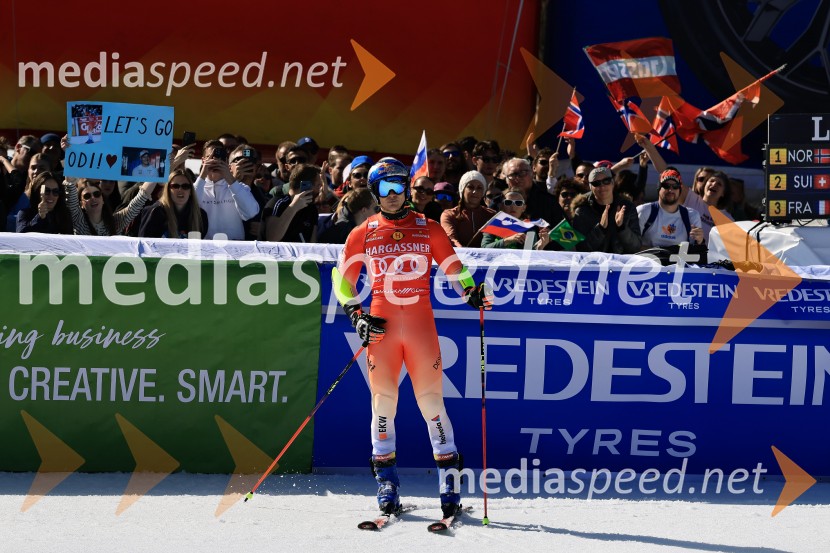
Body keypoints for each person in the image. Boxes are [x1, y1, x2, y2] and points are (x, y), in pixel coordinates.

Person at [331, 157, 492, 519]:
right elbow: (341, 280)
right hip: (382, 330)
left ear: (407, 187)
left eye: (398, 186)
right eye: (384, 189)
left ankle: (449, 484)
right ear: (374, 193)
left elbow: (455, 269)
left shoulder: (429, 228)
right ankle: (386, 485)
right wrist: (357, 316)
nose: (392, 195)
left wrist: (471, 293)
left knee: (431, 403)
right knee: (383, 403)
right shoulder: (363, 231)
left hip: (420, 327)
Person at [194, 140, 260, 240]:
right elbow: (189, 207)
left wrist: (230, 178)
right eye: (210, 157)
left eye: (220, 158)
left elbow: (250, 213)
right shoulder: (194, 187)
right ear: (203, 161)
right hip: (204, 251)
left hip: (234, 251)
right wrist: (203, 174)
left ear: (226, 162)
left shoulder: (239, 187)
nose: (215, 161)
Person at [571, 166, 642, 254]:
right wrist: (600, 229)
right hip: (594, 265)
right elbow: (581, 250)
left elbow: (636, 248)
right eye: (596, 183)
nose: (602, 186)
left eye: (606, 181)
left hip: (622, 264)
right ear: (590, 187)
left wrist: (622, 228)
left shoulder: (627, 207)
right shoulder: (582, 211)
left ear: (612, 183)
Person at [63, 177, 156, 236]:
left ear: (103, 199)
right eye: (87, 196)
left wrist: (158, 170)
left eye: (97, 194)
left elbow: (140, 200)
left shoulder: (115, 222)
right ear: (81, 204)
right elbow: (70, 189)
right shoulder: (79, 221)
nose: (93, 198)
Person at [637, 169, 704, 249]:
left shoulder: (692, 215)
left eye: (675, 186)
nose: (670, 190)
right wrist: (663, 254)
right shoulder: (644, 210)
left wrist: (700, 241)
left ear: (680, 190)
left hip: (679, 261)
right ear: (659, 188)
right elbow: (633, 246)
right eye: (666, 186)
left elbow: (694, 251)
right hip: (648, 260)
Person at [138, 170, 208, 238]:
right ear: (168, 190)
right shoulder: (154, 212)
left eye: (185, 186)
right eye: (175, 186)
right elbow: (144, 244)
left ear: (191, 191)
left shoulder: (200, 216)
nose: (180, 190)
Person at [260, 163, 320, 242]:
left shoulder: (311, 209)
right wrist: (293, 207)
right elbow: (272, 238)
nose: (319, 190)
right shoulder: (278, 203)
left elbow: (312, 244)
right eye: (318, 185)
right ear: (306, 185)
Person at [440, 170, 496, 247]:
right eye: (470, 187)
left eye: (479, 188)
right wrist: (464, 253)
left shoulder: (492, 215)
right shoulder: (449, 214)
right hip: (460, 257)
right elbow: (451, 239)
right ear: (462, 190)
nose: (475, 191)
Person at [481, 188, 545, 249]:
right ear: (501, 206)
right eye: (508, 202)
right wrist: (508, 240)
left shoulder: (529, 228)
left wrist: (540, 247)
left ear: (524, 208)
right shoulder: (493, 223)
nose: (513, 206)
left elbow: (527, 255)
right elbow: (484, 248)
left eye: (518, 203)